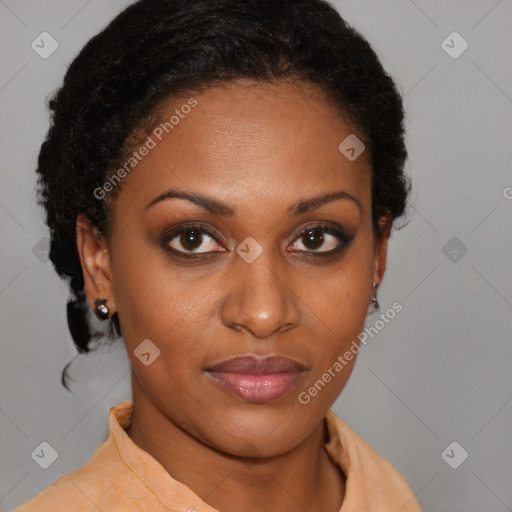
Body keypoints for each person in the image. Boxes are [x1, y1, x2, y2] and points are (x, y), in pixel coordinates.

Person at [13, 0, 421, 510]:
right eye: (193, 240)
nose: (264, 313)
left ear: (377, 256)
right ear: (100, 263)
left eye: (315, 239)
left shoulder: (385, 492)